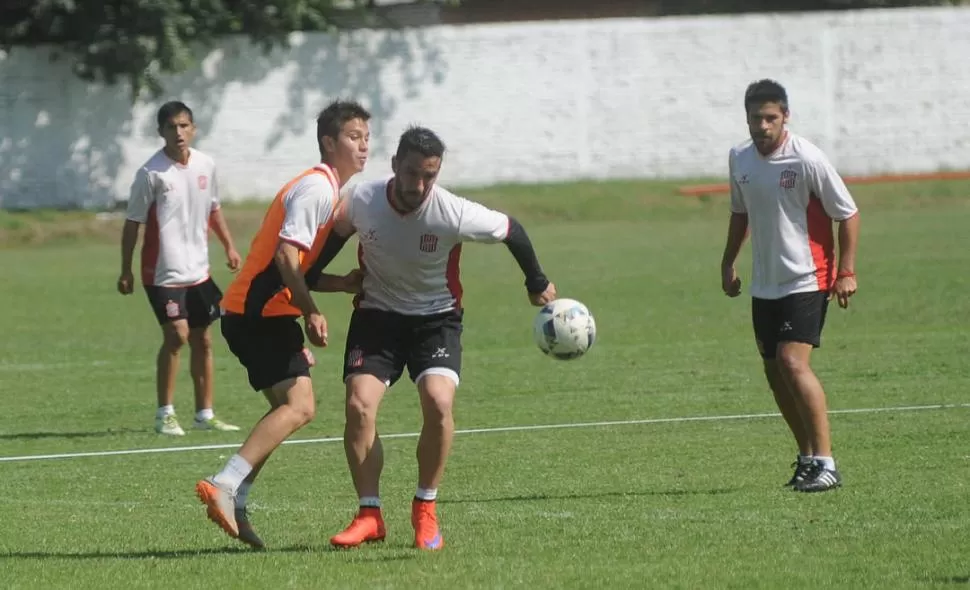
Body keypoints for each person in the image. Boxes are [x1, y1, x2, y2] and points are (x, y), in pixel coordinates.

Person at [312, 126, 557, 551]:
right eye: (412, 174)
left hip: (436, 320)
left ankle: (425, 508)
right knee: (359, 405)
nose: (420, 185)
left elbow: (511, 230)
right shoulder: (362, 201)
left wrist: (536, 281)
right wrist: (319, 284)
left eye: (429, 175)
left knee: (439, 401)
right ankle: (369, 514)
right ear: (394, 166)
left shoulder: (451, 211)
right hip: (377, 318)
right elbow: (320, 255)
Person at [194, 99, 371, 549]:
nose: (363, 146)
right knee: (301, 406)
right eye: (354, 137)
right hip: (260, 315)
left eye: (367, 137)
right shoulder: (317, 190)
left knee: (286, 410)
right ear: (329, 142)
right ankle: (226, 483)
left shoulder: (325, 190)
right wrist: (311, 308)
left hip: (259, 313)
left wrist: (341, 283)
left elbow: (300, 269)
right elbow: (285, 259)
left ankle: (238, 494)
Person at [720, 79, 860, 493]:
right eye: (755, 118)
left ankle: (827, 463)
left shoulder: (807, 158)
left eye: (770, 118)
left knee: (794, 364)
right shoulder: (739, 158)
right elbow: (739, 213)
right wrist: (728, 262)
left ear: (785, 117)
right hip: (765, 283)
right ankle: (807, 459)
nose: (762, 126)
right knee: (774, 371)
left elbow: (848, 213)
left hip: (808, 276)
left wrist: (846, 271)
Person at [118, 101, 242, 436]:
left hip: (198, 271)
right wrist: (126, 269)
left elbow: (213, 209)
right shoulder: (150, 173)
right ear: (161, 132)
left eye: (184, 125)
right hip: (162, 272)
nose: (179, 133)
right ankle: (165, 413)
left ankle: (205, 413)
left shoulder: (205, 164)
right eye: (171, 127)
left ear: (194, 128)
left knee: (203, 341)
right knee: (177, 336)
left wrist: (229, 245)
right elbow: (133, 223)